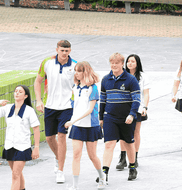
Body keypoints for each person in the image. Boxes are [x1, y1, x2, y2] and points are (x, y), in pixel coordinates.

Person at [34, 40, 76, 184]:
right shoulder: (47, 63)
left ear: (70, 51)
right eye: (62, 50)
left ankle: (61, 170)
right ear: (57, 50)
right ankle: (59, 157)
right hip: (50, 106)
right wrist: (39, 101)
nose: (64, 53)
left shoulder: (75, 66)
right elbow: (37, 81)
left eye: (67, 51)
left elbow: (80, 84)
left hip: (66, 107)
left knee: (62, 136)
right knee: (50, 138)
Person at [0, 86, 40, 190]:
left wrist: (36, 147)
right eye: (15, 91)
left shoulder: (29, 111)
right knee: (17, 174)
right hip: (9, 146)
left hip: (22, 147)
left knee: (15, 174)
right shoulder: (8, 108)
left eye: (20, 92)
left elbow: (36, 129)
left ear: (26, 96)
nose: (17, 93)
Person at [99, 53, 140, 183]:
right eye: (112, 63)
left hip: (126, 118)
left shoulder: (131, 80)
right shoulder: (105, 80)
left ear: (122, 64)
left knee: (128, 143)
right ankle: (104, 173)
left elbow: (136, 99)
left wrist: (132, 114)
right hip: (110, 117)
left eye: (117, 63)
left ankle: (132, 167)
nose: (114, 65)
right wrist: (101, 117)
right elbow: (103, 100)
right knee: (109, 144)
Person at [65, 62, 105, 190]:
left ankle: (102, 178)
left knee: (92, 155)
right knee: (76, 155)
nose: (76, 73)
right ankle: (75, 186)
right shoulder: (74, 88)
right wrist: (72, 120)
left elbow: (90, 110)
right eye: (75, 70)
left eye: (79, 71)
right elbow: (74, 107)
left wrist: (72, 121)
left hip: (91, 126)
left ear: (85, 72)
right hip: (77, 126)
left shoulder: (93, 88)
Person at [115, 55, 149, 170]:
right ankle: (123, 158)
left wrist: (145, 107)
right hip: (123, 107)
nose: (130, 63)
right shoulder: (122, 75)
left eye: (132, 61)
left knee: (135, 132)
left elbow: (146, 93)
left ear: (137, 63)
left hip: (137, 108)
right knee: (123, 133)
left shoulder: (143, 76)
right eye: (128, 61)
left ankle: (134, 157)